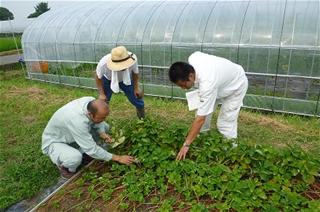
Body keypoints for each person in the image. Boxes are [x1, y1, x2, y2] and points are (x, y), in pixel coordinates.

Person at [169, 51, 248, 160]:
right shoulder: (193, 58)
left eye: (183, 85)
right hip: (219, 83)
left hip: (236, 85)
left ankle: (232, 154)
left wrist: (186, 145)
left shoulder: (207, 83)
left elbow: (200, 119)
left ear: (191, 76)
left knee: (225, 123)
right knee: (200, 111)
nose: (182, 88)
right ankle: (202, 140)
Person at [42, 97, 135, 179]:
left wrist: (101, 132)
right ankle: (66, 168)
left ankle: (83, 151)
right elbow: (92, 149)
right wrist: (118, 158)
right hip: (57, 142)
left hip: (72, 135)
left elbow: (99, 123)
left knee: (105, 127)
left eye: (105, 117)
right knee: (75, 158)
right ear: (90, 114)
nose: (104, 119)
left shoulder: (90, 102)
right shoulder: (77, 121)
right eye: (101, 118)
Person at [95, 46, 145, 119]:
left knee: (136, 97)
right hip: (108, 79)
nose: (123, 67)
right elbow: (98, 77)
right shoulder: (103, 64)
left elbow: (135, 73)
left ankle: (141, 118)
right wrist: (102, 94)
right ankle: (100, 120)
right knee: (104, 101)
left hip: (126, 78)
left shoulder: (133, 59)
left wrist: (136, 88)